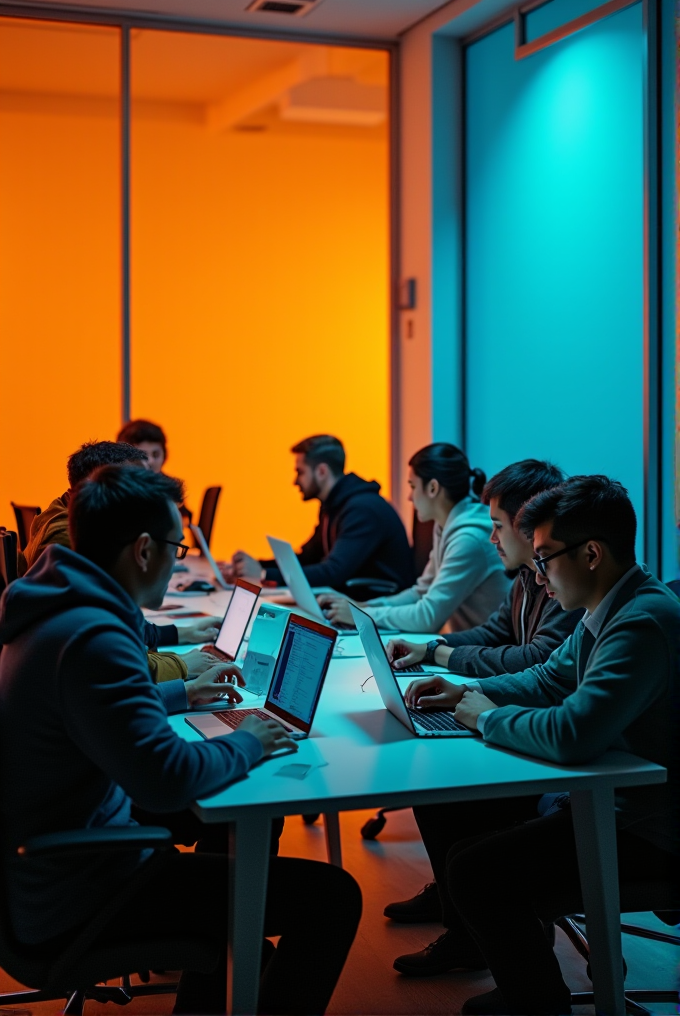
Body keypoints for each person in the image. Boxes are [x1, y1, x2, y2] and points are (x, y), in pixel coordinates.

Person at [0, 465, 362, 1015]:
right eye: (178, 545)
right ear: (144, 550)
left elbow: (87, 712)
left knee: (233, 832)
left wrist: (182, 696)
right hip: (82, 893)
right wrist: (253, 742)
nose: (181, 558)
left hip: (54, 868)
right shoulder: (93, 637)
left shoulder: (57, 607)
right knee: (332, 898)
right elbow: (167, 779)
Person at [391, 476, 678, 1016]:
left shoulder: (642, 621)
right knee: (465, 854)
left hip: (654, 833)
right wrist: (467, 691)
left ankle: (539, 1004)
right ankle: (531, 991)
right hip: (620, 810)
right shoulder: (610, 608)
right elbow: (547, 679)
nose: (539, 576)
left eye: (545, 558)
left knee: (477, 871)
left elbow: (574, 734)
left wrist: (489, 718)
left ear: (591, 554)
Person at [383, 459, 586, 926]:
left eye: (497, 526)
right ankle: (460, 913)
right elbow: (497, 636)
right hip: (541, 730)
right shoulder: (527, 581)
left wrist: (459, 680)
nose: (490, 538)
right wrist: (433, 648)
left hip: (566, 767)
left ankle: (468, 917)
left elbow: (537, 662)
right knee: (434, 790)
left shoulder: (571, 590)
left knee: (449, 796)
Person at [19, 441, 218, 684]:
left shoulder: (66, 525)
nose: (144, 502)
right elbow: (116, 664)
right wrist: (182, 666)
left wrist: (178, 636)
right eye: (130, 490)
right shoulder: (68, 545)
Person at [319, 443, 509, 632]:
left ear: (433, 488)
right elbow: (422, 592)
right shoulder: (447, 525)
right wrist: (363, 607)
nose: (409, 497)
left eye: (412, 486)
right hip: (472, 648)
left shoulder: (469, 539)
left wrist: (361, 615)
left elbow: (427, 617)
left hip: (488, 652)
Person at [232, 434, 414, 595]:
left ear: (321, 472)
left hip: (375, 605)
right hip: (350, 600)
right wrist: (257, 566)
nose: (295, 481)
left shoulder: (362, 510)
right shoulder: (333, 506)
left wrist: (264, 575)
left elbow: (333, 572)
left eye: (300, 472)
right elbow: (308, 558)